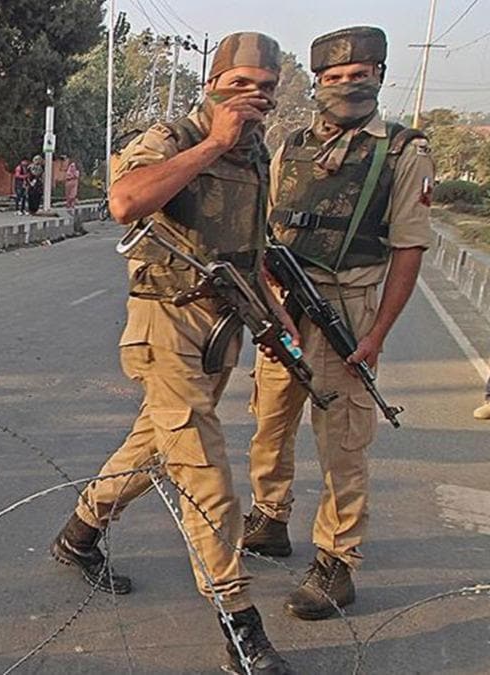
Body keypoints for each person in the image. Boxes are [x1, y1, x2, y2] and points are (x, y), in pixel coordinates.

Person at [48, 32, 292, 674]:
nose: (255, 98)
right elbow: (125, 202)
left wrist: (273, 310)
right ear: (213, 84)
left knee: (158, 442)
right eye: (242, 84)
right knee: (204, 466)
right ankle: (240, 624)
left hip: (222, 324)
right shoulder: (174, 139)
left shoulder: (257, 155)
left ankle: (80, 533)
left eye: (266, 88)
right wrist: (213, 143)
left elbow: (251, 243)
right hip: (166, 324)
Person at [244, 26, 435, 621]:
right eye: (334, 78)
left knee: (343, 443)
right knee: (269, 420)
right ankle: (269, 516)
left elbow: (408, 248)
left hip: (347, 310)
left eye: (360, 76)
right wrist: (270, 293)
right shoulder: (290, 146)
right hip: (284, 310)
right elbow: (266, 231)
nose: (348, 86)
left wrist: (376, 334)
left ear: (379, 77)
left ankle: (337, 560)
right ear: (318, 84)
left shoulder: (403, 151)